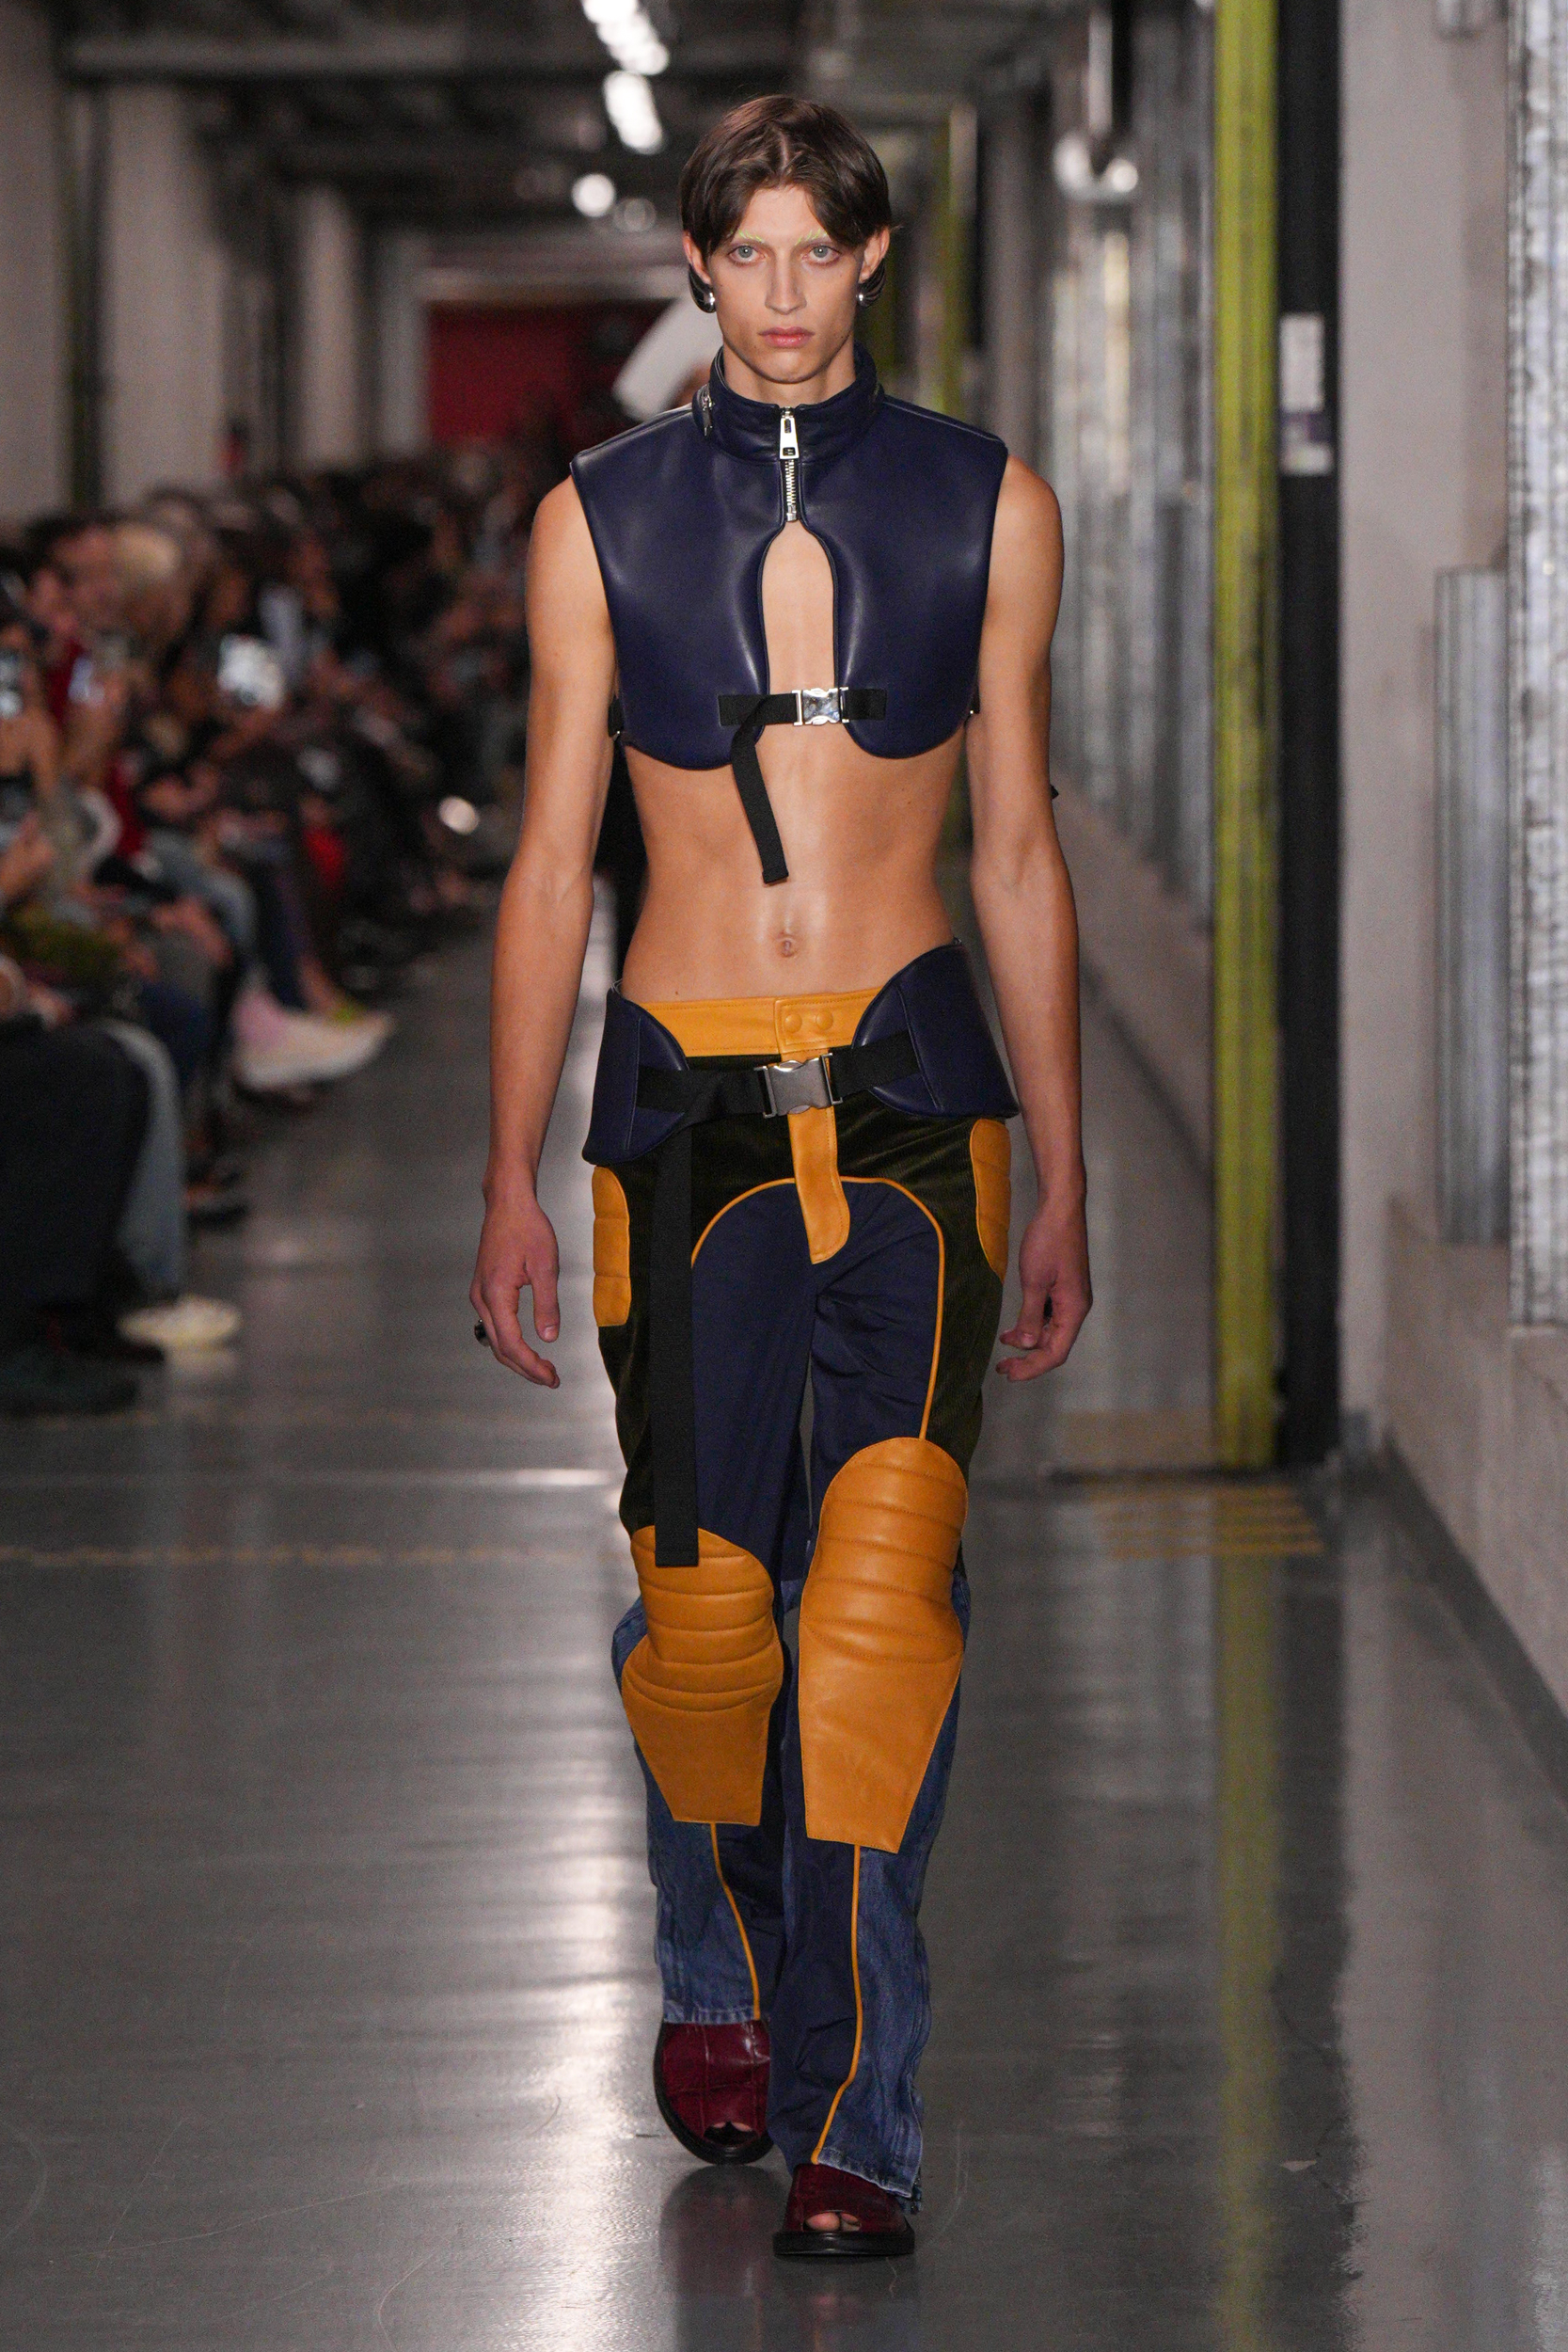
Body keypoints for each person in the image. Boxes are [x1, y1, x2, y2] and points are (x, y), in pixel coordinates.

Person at [471, 92, 1091, 2260]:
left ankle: (858, 2106)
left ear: (875, 258)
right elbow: (550, 859)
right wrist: (505, 1169)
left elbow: (1016, 848)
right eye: (748, 253)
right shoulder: (594, 520)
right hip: (684, 1117)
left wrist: (1068, 1166)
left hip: (919, 1101)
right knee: (713, 1609)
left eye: (822, 249)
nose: (786, 293)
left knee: (880, 1607)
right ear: (697, 265)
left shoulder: (990, 504)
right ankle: (717, 1944)